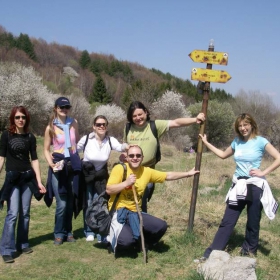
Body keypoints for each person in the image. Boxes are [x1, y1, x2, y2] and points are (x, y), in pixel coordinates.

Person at [198, 113, 280, 261]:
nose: (243, 128)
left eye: (245, 125)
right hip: (239, 185)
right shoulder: (237, 142)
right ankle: (212, 253)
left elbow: (278, 157)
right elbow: (223, 155)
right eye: (240, 126)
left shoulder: (261, 141)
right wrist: (206, 143)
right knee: (228, 220)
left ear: (252, 125)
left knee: (253, 221)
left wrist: (264, 172)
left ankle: (248, 252)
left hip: (255, 185)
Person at [106, 145, 199, 254]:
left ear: (142, 157)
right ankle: (111, 238)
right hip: (119, 212)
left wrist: (188, 174)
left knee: (161, 226)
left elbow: (167, 175)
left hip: (135, 212)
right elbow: (109, 190)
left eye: (138, 155)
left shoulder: (146, 171)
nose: (135, 158)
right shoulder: (120, 169)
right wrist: (126, 183)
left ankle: (143, 243)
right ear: (126, 157)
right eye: (131, 155)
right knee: (126, 242)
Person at [124, 101, 205, 212]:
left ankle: (141, 224)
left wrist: (195, 120)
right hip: (130, 171)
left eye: (140, 114)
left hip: (147, 171)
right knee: (128, 200)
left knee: (142, 198)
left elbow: (176, 123)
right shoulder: (128, 128)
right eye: (134, 116)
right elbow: (125, 148)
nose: (138, 118)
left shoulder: (155, 125)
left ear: (146, 113)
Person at [0, 106, 46, 263]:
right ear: (13, 118)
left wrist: (39, 182)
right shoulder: (6, 135)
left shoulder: (30, 137)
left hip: (27, 179)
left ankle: (22, 243)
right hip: (12, 179)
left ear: (27, 119)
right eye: (18, 117)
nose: (20, 120)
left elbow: (34, 159)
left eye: (23, 117)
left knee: (25, 213)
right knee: (12, 213)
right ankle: (7, 248)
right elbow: (1, 158)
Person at [77, 115, 129, 242]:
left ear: (106, 126)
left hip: (101, 176)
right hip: (88, 175)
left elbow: (120, 147)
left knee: (100, 202)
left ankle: (101, 232)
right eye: (98, 124)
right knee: (89, 202)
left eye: (104, 124)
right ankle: (89, 230)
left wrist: (128, 146)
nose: (101, 126)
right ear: (93, 126)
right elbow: (74, 149)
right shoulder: (87, 139)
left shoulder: (110, 140)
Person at [43, 97, 81, 245]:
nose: (64, 109)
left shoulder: (74, 123)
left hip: (72, 164)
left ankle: (69, 232)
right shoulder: (50, 127)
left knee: (70, 201)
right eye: (61, 107)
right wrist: (51, 164)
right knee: (62, 203)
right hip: (58, 166)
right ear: (55, 108)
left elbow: (76, 142)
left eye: (67, 107)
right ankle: (59, 232)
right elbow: (46, 149)